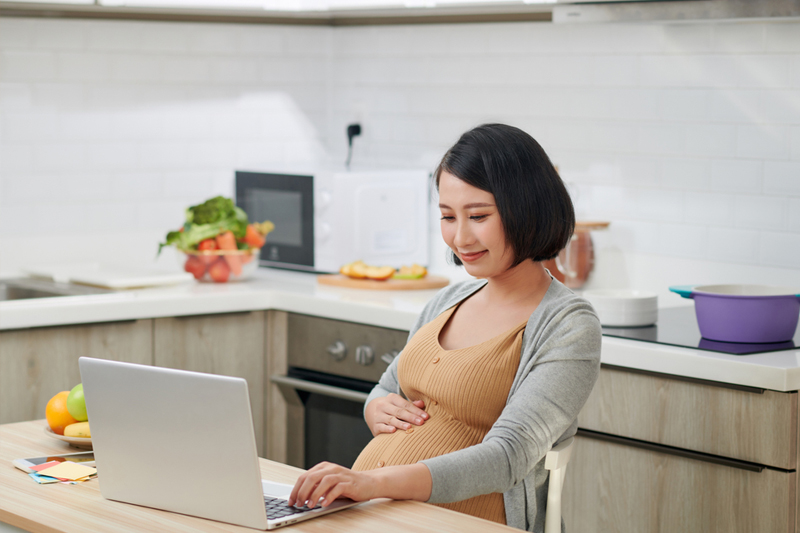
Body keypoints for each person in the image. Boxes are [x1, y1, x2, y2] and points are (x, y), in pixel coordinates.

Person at [289, 124, 602, 532]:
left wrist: (371, 483)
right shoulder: (447, 301)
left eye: (478, 216)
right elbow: (387, 388)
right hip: (375, 511)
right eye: (447, 216)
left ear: (527, 207)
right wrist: (375, 407)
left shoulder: (569, 325)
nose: (460, 237)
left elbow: (508, 455)